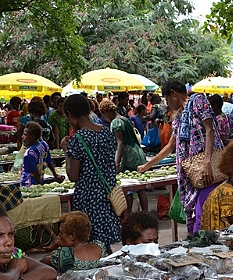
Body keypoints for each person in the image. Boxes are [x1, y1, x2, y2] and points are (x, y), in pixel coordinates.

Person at [148, 81, 223, 234]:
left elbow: (210, 130)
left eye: (167, 99)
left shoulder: (198, 101)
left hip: (205, 170)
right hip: (190, 173)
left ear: (174, 94)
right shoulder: (178, 118)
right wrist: (147, 165)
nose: (168, 104)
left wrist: (206, 162)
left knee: (204, 214)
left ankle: (200, 244)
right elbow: (170, 147)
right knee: (195, 214)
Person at [64, 94, 121, 249]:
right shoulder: (106, 133)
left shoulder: (78, 139)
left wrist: (66, 151)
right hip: (107, 196)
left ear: (70, 114)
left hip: (88, 199)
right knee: (104, 245)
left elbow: (73, 175)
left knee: (88, 246)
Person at [98, 99, 147, 213]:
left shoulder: (115, 122)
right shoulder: (125, 119)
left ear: (106, 112)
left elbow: (120, 143)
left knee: (127, 188)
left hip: (128, 155)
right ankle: (145, 213)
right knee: (140, 187)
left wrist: (116, 162)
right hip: (138, 152)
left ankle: (127, 216)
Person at [42, 211, 108, 272]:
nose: (58, 236)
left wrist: (55, 248)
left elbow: (42, 262)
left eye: (61, 233)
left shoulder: (65, 255)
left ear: (72, 236)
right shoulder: (100, 246)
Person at [20, 121, 61, 186]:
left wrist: (40, 186)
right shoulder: (44, 145)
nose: (22, 137)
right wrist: (55, 174)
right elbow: (49, 162)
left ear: (32, 137)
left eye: (25, 134)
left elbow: (35, 173)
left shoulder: (29, 153)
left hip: (28, 184)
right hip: (39, 180)